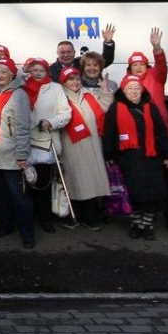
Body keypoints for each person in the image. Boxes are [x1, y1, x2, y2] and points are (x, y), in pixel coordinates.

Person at [102, 73, 168, 240]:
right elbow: (109, 135)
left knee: (151, 195)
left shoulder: (151, 107)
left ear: (142, 90)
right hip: (127, 160)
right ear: (123, 90)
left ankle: (147, 225)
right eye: (130, 88)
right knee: (133, 194)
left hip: (151, 158)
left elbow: (162, 133)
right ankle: (136, 224)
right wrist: (109, 156)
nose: (134, 91)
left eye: (137, 88)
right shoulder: (115, 108)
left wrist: (167, 154)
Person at [125, 27, 168, 228]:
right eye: (134, 65)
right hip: (140, 141)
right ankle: (150, 214)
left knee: (167, 180)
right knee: (147, 180)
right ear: (129, 68)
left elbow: (162, 65)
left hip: (163, 137)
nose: (138, 68)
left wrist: (157, 47)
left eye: (141, 64)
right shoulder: (126, 84)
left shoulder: (156, 76)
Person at [55, 66, 113, 229]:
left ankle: (90, 217)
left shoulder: (89, 94)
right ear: (63, 82)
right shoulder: (59, 97)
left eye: (77, 79)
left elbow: (105, 109)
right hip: (71, 147)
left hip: (92, 144)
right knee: (74, 182)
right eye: (70, 79)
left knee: (91, 182)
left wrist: (104, 91)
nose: (74, 82)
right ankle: (76, 216)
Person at [0, 59, 36, 248]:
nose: (0, 75)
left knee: (20, 198)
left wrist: (22, 155)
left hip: (12, 156)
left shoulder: (18, 95)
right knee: (1, 198)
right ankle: (6, 226)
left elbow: (23, 128)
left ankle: (27, 233)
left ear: (12, 74)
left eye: (4, 72)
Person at [25, 57, 70, 233]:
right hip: (26, 142)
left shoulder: (56, 88)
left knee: (44, 184)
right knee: (28, 183)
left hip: (46, 142)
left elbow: (66, 113)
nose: (37, 73)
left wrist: (51, 122)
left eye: (41, 70)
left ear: (46, 72)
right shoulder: (22, 88)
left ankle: (45, 218)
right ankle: (29, 217)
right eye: (34, 70)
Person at [50, 23, 116, 82]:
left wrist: (108, 43)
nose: (66, 55)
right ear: (57, 53)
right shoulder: (50, 70)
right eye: (62, 52)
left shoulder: (83, 62)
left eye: (69, 52)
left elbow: (106, 60)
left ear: (74, 52)